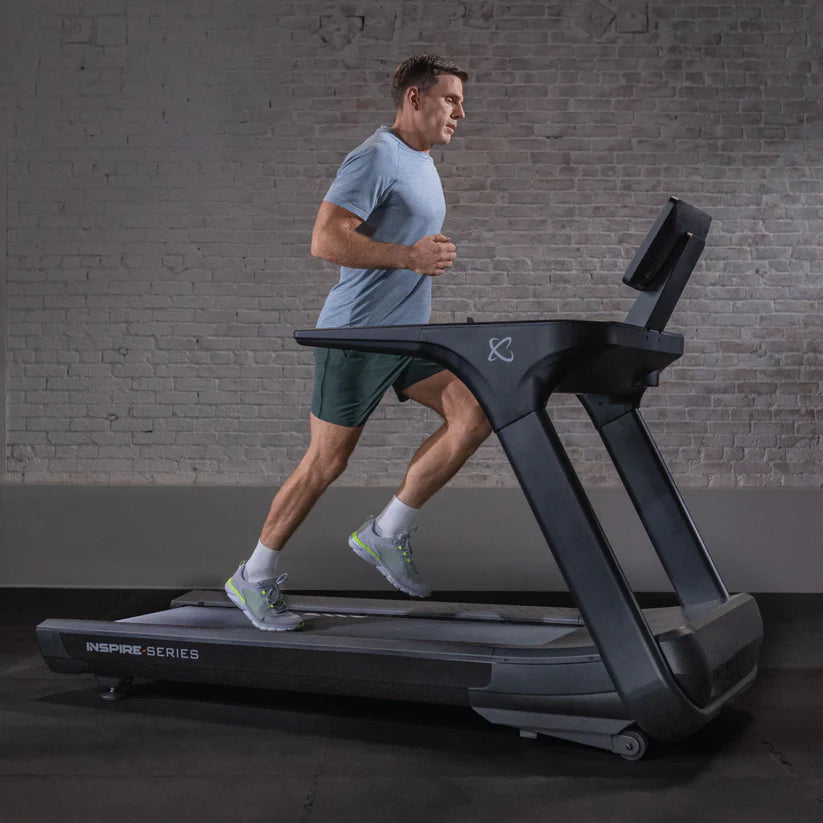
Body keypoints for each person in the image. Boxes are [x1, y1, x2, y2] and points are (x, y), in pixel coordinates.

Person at [225, 55, 491, 631]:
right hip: (356, 334)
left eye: (462, 102)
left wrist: (417, 260)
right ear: (415, 99)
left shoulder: (421, 162)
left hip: (406, 336)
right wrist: (409, 256)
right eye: (451, 100)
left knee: (473, 414)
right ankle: (252, 576)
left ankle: (386, 532)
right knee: (326, 462)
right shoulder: (375, 156)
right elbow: (325, 240)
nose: (461, 113)